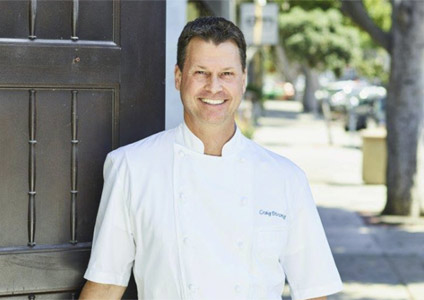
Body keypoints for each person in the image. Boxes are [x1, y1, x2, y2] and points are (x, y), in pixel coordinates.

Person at [79, 17, 342, 300]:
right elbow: (106, 285)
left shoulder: (286, 178)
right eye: (201, 72)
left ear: (243, 79)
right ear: (179, 77)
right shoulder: (131, 167)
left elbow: (315, 291)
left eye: (226, 74)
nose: (213, 87)